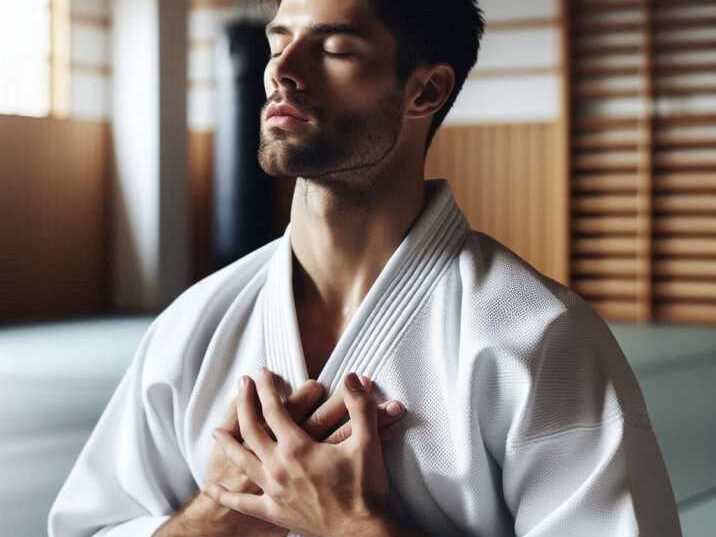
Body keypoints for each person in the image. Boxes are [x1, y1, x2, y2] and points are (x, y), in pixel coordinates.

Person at [48, 0, 683, 536]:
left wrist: (354, 525)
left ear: (425, 90)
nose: (282, 71)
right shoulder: (192, 326)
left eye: (335, 49)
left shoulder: (537, 340)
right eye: (280, 40)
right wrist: (213, 515)